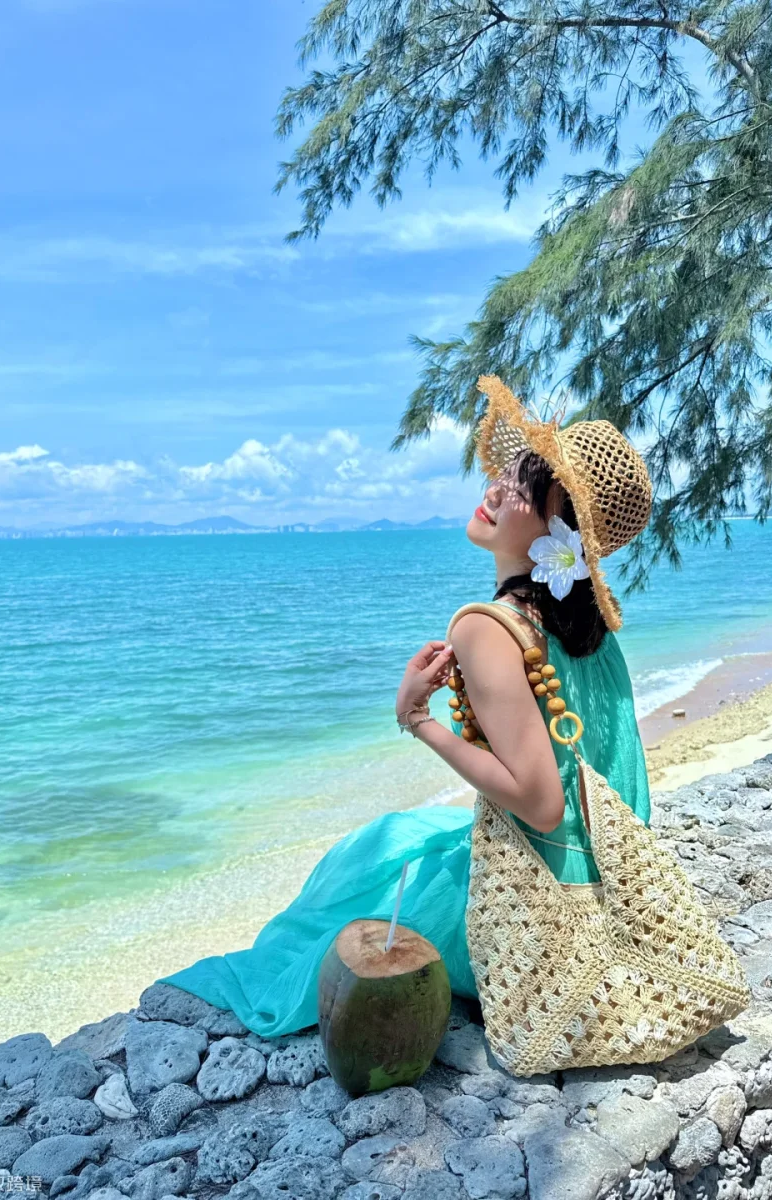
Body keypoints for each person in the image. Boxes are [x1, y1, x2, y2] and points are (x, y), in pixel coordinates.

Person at [154, 375, 653, 1038]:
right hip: (609, 889)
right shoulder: (590, 626)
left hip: (536, 913)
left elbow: (540, 804)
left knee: (360, 872)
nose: (494, 490)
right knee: (401, 838)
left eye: (521, 488)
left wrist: (417, 720)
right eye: (505, 474)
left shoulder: (487, 627)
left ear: (557, 530)